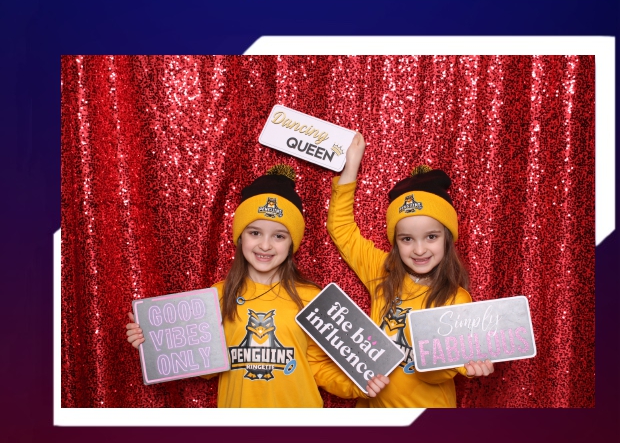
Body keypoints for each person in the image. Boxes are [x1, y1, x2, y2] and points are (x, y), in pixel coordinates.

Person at [126, 162, 390, 408]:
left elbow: (317, 367)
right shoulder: (217, 296)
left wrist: (359, 385)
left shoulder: (311, 297)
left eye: (279, 236)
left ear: (292, 242)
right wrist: (155, 343)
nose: (265, 245)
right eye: (255, 233)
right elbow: (206, 365)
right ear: (241, 237)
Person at [326, 135, 494, 408]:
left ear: (447, 238)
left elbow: (435, 375)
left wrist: (466, 364)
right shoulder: (383, 271)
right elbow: (341, 229)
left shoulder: (456, 299)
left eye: (431, 237)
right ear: (395, 241)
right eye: (407, 239)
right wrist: (351, 167)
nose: (419, 249)